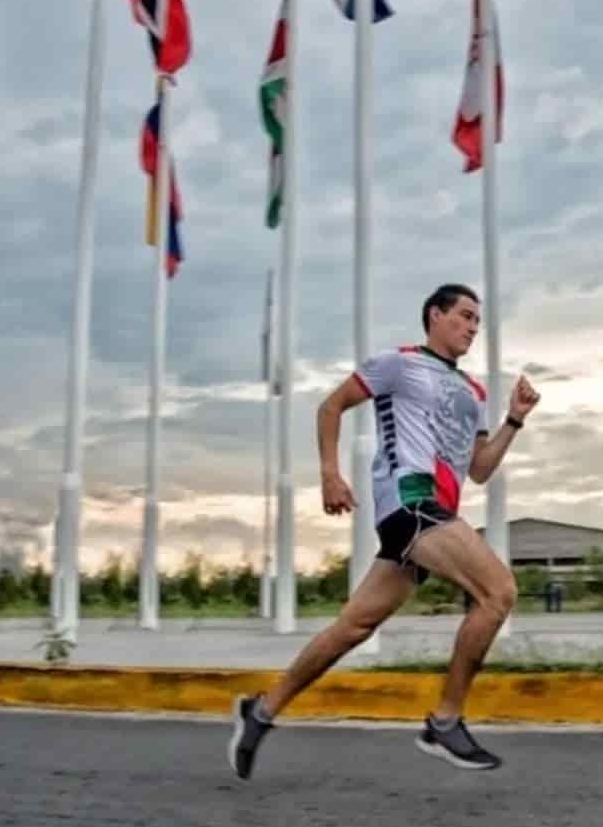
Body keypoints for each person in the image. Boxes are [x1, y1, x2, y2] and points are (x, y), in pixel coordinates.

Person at [228, 283, 540, 778]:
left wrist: (513, 422)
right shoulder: (398, 363)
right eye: (463, 316)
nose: (472, 327)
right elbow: (330, 406)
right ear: (434, 316)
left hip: (436, 511)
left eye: (477, 320)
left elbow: (479, 469)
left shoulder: (474, 393)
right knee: (498, 592)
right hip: (411, 500)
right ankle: (445, 721)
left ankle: (262, 710)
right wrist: (331, 473)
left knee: (353, 626)